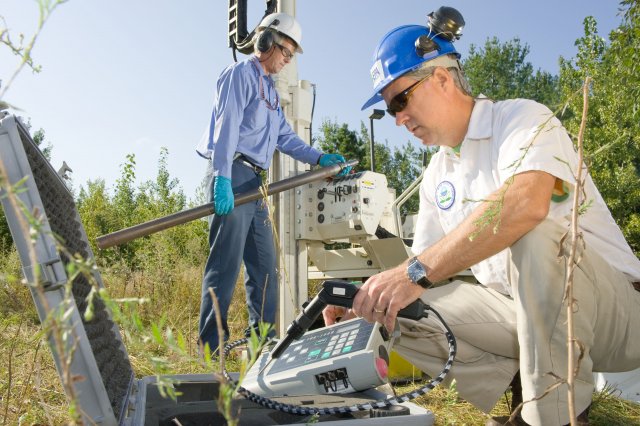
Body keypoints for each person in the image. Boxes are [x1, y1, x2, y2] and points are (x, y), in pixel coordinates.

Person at [323, 22, 640, 426]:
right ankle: (524, 393)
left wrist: (414, 272)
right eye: (390, 109)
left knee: (536, 234)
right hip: (523, 317)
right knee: (404, 311)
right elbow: (423, 266)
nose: (398, 118)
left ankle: (552, 414)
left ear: (440, 78)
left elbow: (526, 203)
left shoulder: (522, 118)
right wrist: (369, 300)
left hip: (617, 315)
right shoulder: (437, 173)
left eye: (401, 99)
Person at [196, 12, 350, 354]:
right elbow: (227, 128)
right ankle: (210, 349)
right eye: (285, 52)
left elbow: (285, 137)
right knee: (225, 264)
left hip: (255, 182)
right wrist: (221, 177)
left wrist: (318, 157)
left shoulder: (269, 91)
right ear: (266, 41)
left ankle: (262, 345)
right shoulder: (240, 75)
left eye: (291, 55)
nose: (286, 61)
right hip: (233, 173)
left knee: (265, 267)